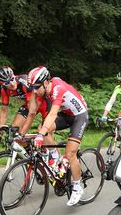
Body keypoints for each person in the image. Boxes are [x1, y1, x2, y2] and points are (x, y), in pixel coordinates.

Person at [23, 66, 88, 206]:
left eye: (36, 87)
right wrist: (34, 94)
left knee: (70, 153)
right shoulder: (41, 88)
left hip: (79, 116)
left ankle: (77, 187)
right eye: (32, 87)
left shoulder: (57, 88)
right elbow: (32, 111)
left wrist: (40, 136)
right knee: (43, 128)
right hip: (67, 114)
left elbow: (52, 114)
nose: (34, 90)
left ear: (45, 83)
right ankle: (56, 158)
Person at [0, 66, 50, 134]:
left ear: (14, 75)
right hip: (30, 104)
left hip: (44, 104)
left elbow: (31, 110)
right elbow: (4, 111)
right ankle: (27, 144)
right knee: (14, 131)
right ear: (2, 84)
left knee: (45, 134)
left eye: (12, 79)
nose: (11, 84)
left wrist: (23, 133)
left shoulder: (24, 81)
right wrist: (0, 133)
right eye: (7, 83)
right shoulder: (4, 90)